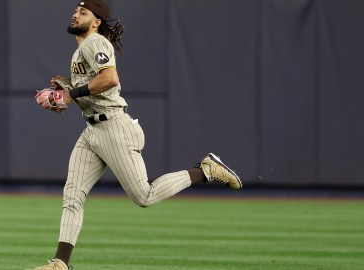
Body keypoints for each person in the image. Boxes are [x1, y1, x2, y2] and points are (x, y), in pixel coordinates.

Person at [30, 1, 242, 269]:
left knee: (145, 196)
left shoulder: (95, 42)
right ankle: (60, 263)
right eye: (75, 10)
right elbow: (95, 85)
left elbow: (110, 79)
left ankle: (206, 170)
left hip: (114, 128)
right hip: (92, 131)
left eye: (83, 12)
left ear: (96, 22)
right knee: (72, 195)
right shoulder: (82, 48)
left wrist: (70, 94)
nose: (75, 14)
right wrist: (69, 84)